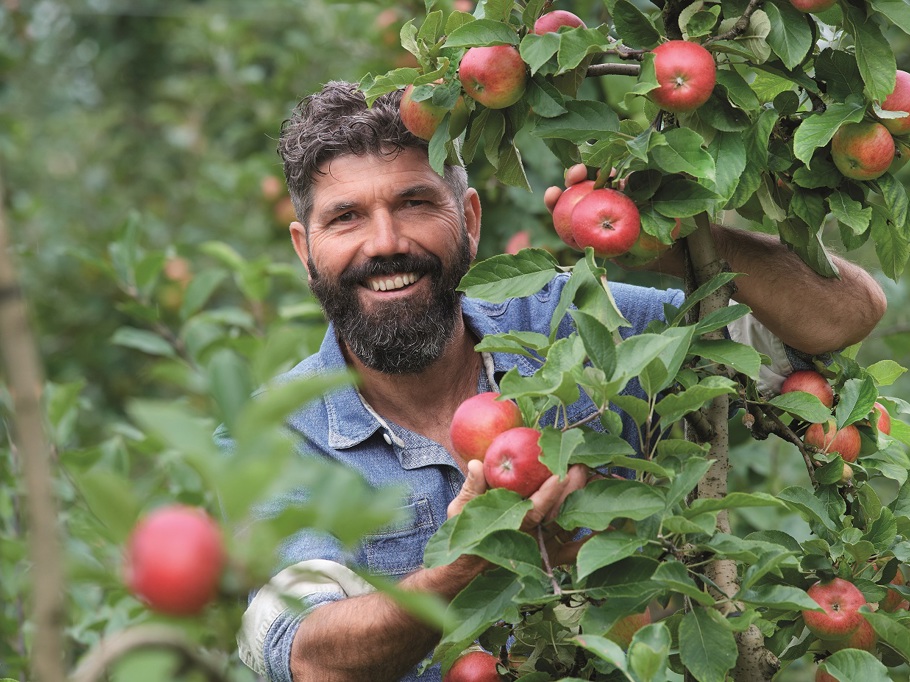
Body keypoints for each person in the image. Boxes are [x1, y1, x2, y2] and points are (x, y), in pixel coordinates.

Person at [235, 81, 887, 682]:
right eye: (346, 217)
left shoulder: (580, 323)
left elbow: (842, 318)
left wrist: (676, 241)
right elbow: (304, 650)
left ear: (471, 218)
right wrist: (467, 568)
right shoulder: (273, 438)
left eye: (414, 203)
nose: (384, 242)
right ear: (303, 248)